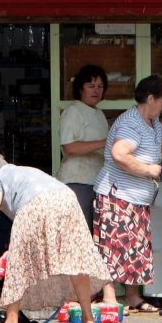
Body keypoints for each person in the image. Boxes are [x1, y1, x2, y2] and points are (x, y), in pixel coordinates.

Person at [0, 153, 111, 323]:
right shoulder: (24, 172)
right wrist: (13, 248)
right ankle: (88, 318)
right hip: (67, 199)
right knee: (75, 260)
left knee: (17, 265)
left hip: (37, 204)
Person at [93, 75, 162, 312]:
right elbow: (119, 154)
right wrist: (148, 169)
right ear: (150, 98)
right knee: (113, 246)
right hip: (117, 195)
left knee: (134, 248)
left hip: (137, 198)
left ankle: (133, 297)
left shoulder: (152, 122)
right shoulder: (131, 123)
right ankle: (110, 298)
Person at [57, 64, 109, 229]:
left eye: (100, 86)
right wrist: (103, 143)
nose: (96, 90)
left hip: (97, 182)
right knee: (79, 234)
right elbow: (69, 148)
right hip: (77, 182)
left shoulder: (99, 113)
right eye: (91, 86)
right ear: (80, 88)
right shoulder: (73, 111)